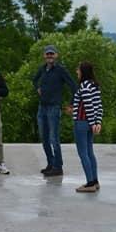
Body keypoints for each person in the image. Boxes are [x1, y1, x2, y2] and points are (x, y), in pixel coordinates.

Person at [32, 45, 76, 177]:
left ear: (56, 55)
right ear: (44, 56)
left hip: (54, 108)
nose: (50, 56)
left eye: (52, 54)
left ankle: (58, 167)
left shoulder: (60, 70)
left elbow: (73, 86)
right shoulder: (43, 69)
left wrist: (72, 104)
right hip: (42, 107)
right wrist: (38, 88)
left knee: (53, 138)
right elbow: (34, 80)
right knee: (44, 138)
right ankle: (50, 164)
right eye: (47, 54)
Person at [69, 61, 103, 193]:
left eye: (78, 69)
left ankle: (90, 183)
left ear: (83, 71)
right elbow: (98, 106)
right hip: (89, 123)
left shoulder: (84, 86)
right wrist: (97, 122)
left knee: (83, 153)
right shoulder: (95, 86)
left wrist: (92, 123)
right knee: (89, 152)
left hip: (82, 123)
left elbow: (88, 106)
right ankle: (95, 181)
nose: (76, 71)